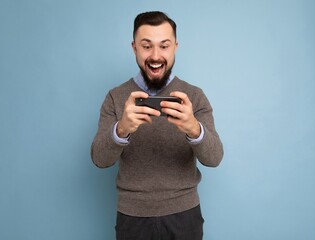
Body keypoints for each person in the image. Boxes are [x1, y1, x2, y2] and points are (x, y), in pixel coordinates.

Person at [91, 11, 224, 240]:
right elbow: (100, 159)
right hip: (132, 218)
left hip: (184, 217)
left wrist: (194, 128)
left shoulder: (194, 96)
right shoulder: (115, 97)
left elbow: (214, 158)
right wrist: (121, 129)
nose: (155, 55)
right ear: (134, 48)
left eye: (164, 46)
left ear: (175, 47)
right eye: (146, 46)